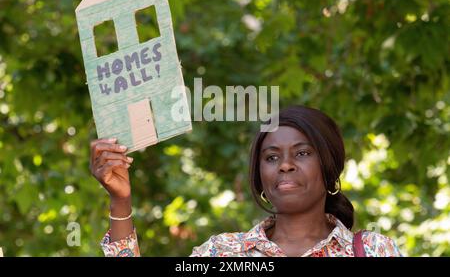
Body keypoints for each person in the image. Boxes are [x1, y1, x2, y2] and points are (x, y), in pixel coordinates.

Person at [90, 105, 402, 257]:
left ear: (330, 167)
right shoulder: (223, 253)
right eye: (271, 157)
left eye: (303, 153)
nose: (285, 166)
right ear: (259, 175)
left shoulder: (375, 250)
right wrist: (121, 201)